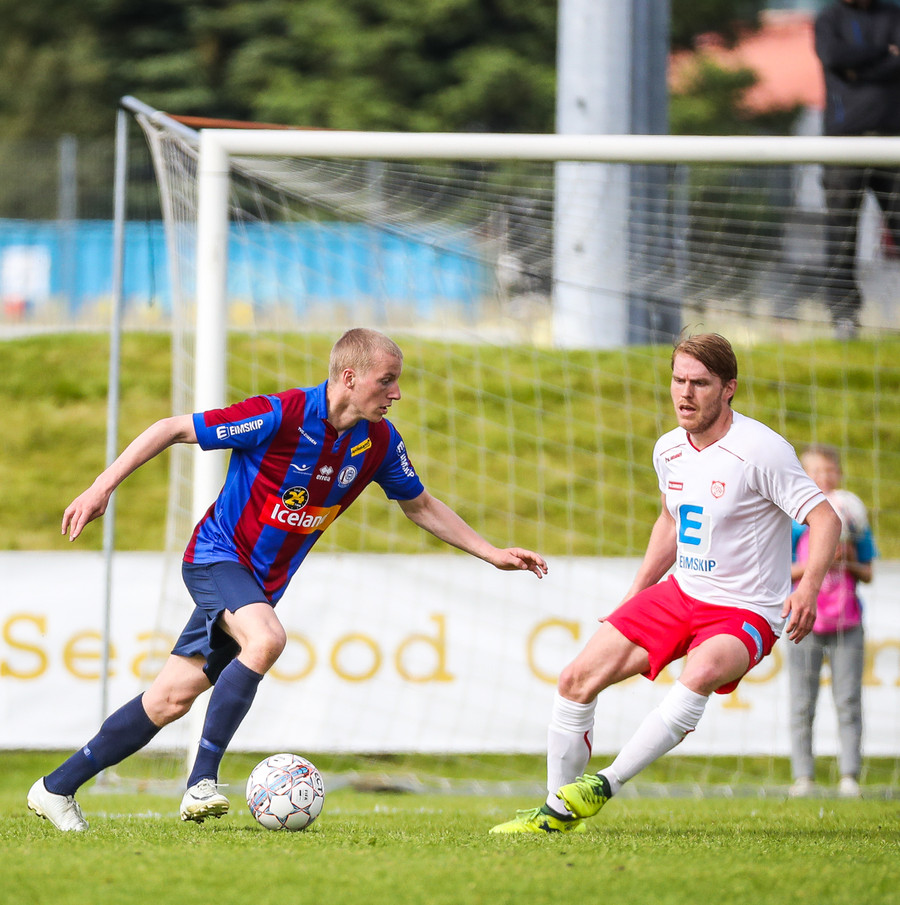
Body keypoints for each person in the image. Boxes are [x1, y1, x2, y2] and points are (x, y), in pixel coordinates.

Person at [28, 327, 548, 832]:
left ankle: (56, 787)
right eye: (387, 381)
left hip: (259, 586)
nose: (396, 394)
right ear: (350, 377)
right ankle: (201, 783)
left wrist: (492, 553)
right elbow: (171, 428)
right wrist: (101, 488)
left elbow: (422, 506)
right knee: (267, 639)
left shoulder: (379, 443)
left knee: (169, 699)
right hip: (216, 557)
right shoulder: (280, 415)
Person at [490, 332, 842, 835]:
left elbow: (826, 519)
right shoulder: (669, 449)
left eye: (700, 383)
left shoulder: (762, 450)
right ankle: (555, 814)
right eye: (678, 380)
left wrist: (806, 590)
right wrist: (637, 592)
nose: (685, 393)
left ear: (729, 388)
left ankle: (603, 784)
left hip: (746, 609)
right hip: (681, 593)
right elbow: (670, 521)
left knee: (701, 672)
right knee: (574, 680)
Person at [787, 444, 876, 799]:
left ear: (838, 474)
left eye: (828, 471)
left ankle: (849, 777)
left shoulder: (851, 515)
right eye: (814, 472)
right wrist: (820, 561)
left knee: (848, 700)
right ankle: (803, 778)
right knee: (801, 702)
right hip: (803, 622)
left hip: (847, 624)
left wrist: (846, 559)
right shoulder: (792, 520)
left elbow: (867, 572)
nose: (822, 478)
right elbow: (780, 571)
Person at [814, 0, 900, 340]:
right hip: (843, 143)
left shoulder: (894, 15)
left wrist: (857, 68)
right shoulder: (829, 19)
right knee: (840, 234)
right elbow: (834, 57)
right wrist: (884, 54)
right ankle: (844, 316)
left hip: (893, 142)